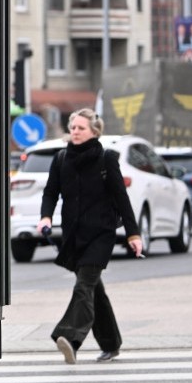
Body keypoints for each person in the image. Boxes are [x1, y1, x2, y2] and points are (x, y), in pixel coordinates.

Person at [37, 109, 143, 364]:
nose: (75, 132)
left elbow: (121, 198)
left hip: (101, 235)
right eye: (73, 127)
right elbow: (50, 192)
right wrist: (46, 216)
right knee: (94, 291)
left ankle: (70, 338)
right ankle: (111, 343)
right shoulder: (61, 159)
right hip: (74, 235)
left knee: (84, 286)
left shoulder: (106, 159)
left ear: (95, 132)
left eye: (81, 128)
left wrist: (133, 233)